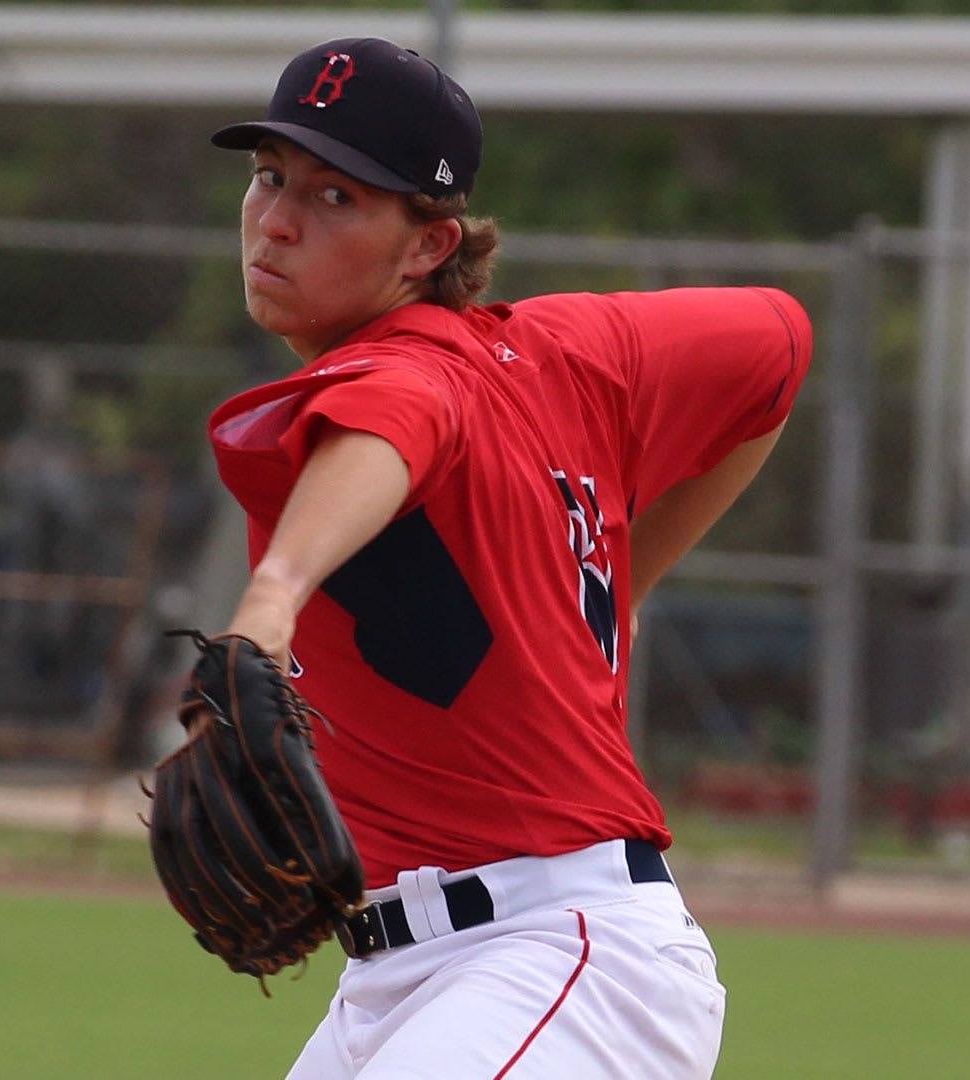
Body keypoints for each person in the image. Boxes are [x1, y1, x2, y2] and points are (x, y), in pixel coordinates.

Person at [200, 37, 812, 1080]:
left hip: (558, 957)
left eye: (337, 196)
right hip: (404, 976)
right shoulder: (571, 353)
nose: (279, 220)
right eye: (269, 177)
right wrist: (624, 579)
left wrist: (271, 598)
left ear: (429, 246)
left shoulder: (403, 374)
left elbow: (392, 430)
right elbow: (778, 346)